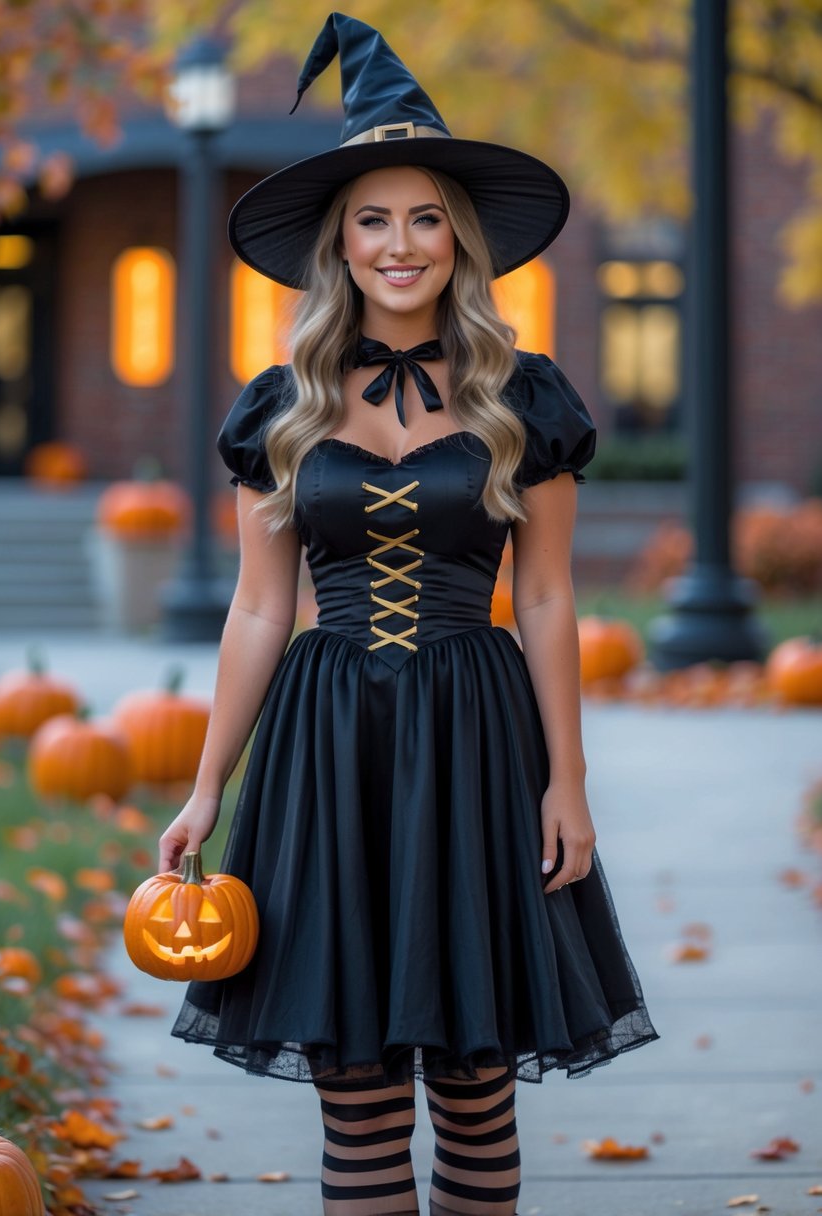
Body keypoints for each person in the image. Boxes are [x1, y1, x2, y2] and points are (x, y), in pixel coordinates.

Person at [160, 14, 658, 1216]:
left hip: (476, 738)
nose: (400, 244)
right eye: (373, 219)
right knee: (356, 1087)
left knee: (478, 1081)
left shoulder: (522, 397)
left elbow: (545, 594)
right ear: (339, 241)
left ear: (458, 238)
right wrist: (207, 786)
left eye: (426, 218)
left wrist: (568, 781)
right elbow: (257, 611)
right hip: (326, 746)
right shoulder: (280, 407)